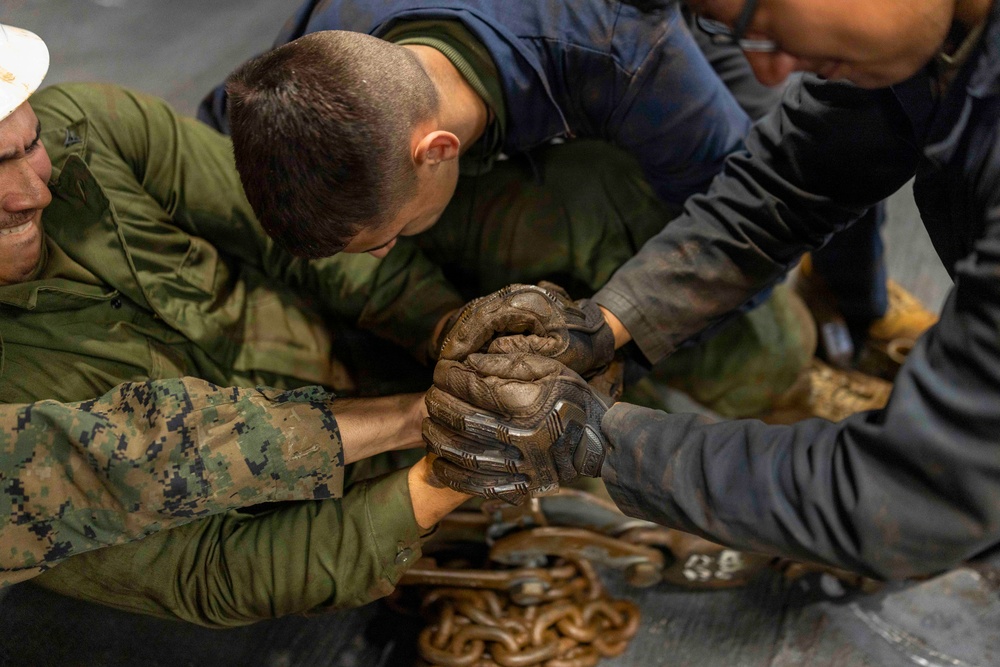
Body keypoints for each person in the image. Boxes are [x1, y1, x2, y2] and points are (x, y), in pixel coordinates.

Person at [424, 0, 1000, 581]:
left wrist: (595, 441)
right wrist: (601, 326)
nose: (771, 73)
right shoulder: (928, 45)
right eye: (727, 34)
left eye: (760, 24)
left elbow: (909, 496)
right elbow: (787, 185)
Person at [0, 21, 475, 619]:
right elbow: (213, 569)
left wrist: (449, 329)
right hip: (323, 527)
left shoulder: (90, 132)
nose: (31, 193)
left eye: (30, 144)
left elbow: (304, 236)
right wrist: (447, 468)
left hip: (373, 360)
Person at [199, 0, 835, 420]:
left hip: (646, 80)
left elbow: (752, 229)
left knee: (759, 324)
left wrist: (612, 350)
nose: (381, 256)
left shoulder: (622, 52)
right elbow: (221, 134)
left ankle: (829, 342)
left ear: (437, 150)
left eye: (382, 239)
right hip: (511, 120)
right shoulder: (307, 66)